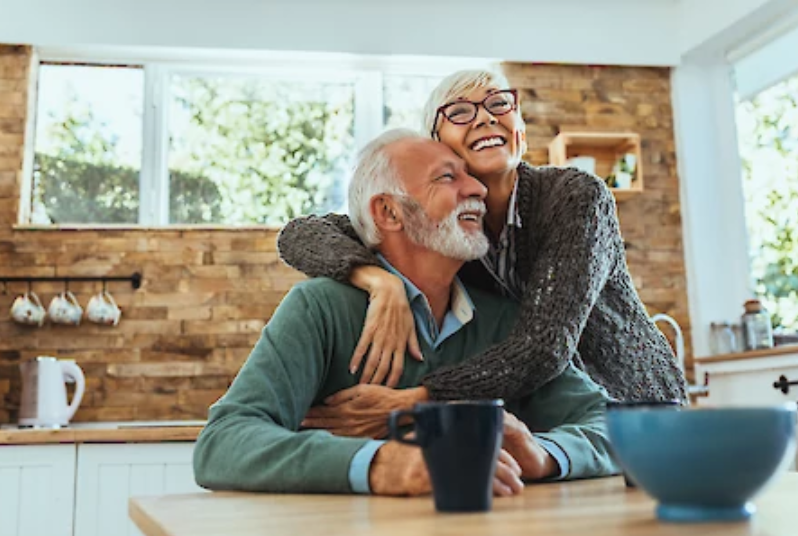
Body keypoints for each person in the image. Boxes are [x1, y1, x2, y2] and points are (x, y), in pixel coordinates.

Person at [193, 129, 617, 496]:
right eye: (448, 177)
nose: (478, 190)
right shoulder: (320, 308)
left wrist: (543, 454)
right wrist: (384, 464)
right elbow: (223, 442)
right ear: (389, 212)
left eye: (470, 177)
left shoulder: (505, 321)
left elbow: (612, 426)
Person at [277, 69, 687, 435]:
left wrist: (417, 400)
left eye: (498, 104)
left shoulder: (575, 197)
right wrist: (378, 281)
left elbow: (544, 347)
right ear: (438, 146)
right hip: (548, 423)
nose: (486, 117)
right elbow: (301, 234)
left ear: (520, 132)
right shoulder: (443, 227)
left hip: (633, 409)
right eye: (459, 112)